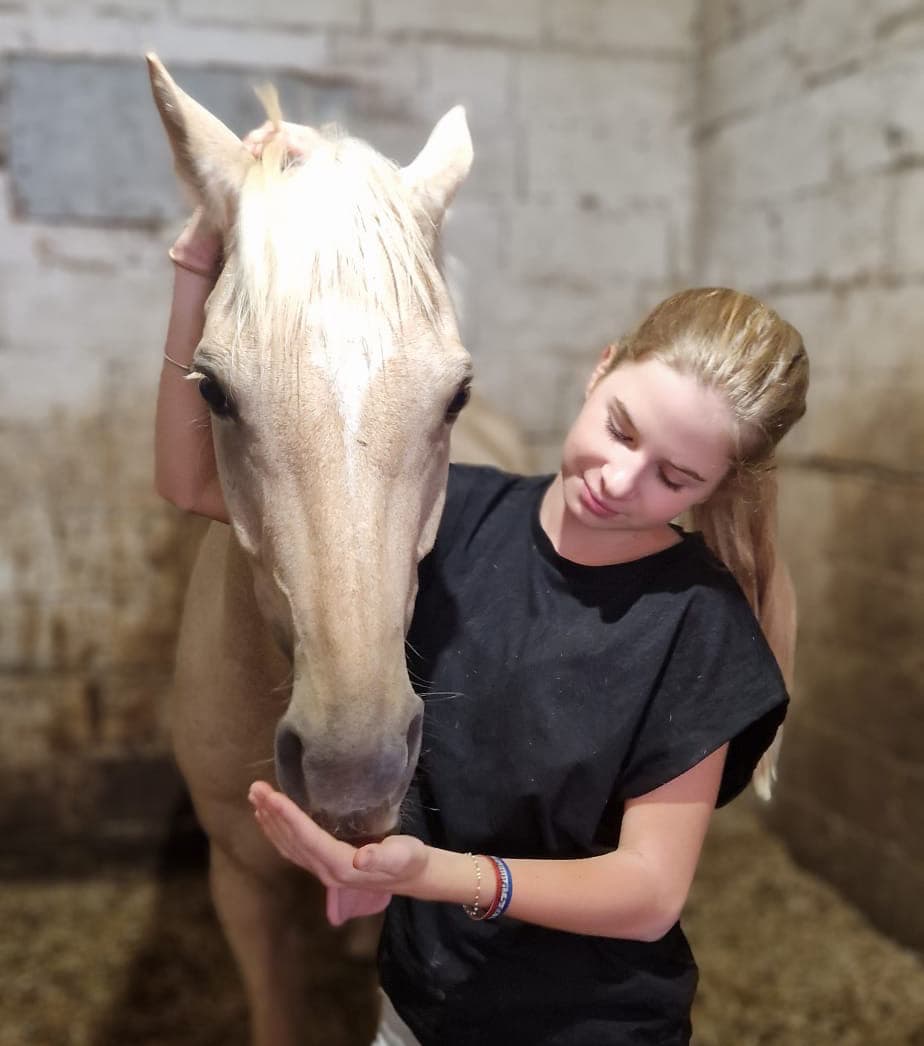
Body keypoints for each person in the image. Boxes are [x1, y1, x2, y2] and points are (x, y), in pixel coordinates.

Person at [157, 126, 809, 1046]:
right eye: (621, 429)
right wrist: (203, 255)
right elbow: (192, 484)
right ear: (601, 369)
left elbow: (649, 896)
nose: (623, 481)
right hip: (419, 1011)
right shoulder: (460, 515)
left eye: (674, 478)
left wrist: (428, 876)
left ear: (716, 491)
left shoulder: (698, 627)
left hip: (586, 1028)